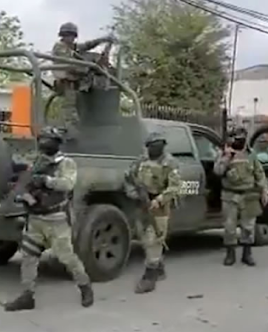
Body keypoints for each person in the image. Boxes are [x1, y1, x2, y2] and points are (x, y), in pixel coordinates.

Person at [4, 127, 94, 311]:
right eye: (42, 139)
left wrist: (46, 181)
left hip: (56, 219)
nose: (45, 143)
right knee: (29, 257)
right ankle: (27, 296)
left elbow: (68, 184)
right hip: (36, 218)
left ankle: (85, 286)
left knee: (67, 258)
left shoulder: (65, 163)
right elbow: (22, 178)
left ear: (58, 142)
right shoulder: (36, 160)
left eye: (49, 140)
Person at [124, 132, 181, 294]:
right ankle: (159, 266)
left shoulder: (170, 163)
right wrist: (135, 195)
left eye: (158, 145)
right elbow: (128, 178)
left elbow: (175, 187)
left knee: (154, 239)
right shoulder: (141, 161)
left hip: (159, 205)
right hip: (142, 204)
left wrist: (160, 199)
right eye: (152, 145)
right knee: (143, 237)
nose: (154, 148)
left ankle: (150, 276)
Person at [213, 126, 268, 266]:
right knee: (229, 227)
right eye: (236, 139)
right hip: (230, 195)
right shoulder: (224, 154)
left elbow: (259, 174)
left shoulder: (251, 155)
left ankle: (247, 254)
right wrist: (227, 156)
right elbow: (218, 171)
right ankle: (230, 254)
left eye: (241, 139)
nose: (239, 142)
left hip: (248, 195)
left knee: (248, 226)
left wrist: (264, 190)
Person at [51, 22, 116, 137]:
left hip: (75, 84)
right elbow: (70, 65)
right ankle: (71, 133)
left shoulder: (71, 48)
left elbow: (87, 45)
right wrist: (89, 68)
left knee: (76, 108)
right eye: (67, 35)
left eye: (72, 36)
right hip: (66, 83)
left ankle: (74, 131)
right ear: (63, 35)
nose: (70, 38)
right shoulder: (60, 48)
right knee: (69, 110)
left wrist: (103, 40)